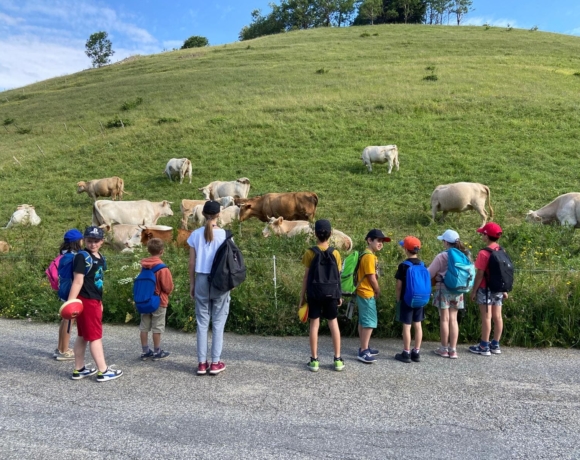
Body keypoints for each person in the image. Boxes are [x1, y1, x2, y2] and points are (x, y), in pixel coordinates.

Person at [69, 226, 123, 382]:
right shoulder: (82, 256)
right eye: (89, 241)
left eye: (96, 241)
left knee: (83, 335)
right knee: (95, 336)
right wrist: (71, 304)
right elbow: (78, 281)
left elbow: (97, 282)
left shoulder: (99, 257)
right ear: (84, 240)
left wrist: (100, 301)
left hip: (94, 300)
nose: (93, 244)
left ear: (102, 242)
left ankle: (79, 369)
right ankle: (103, 370)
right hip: (86, 301)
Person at [188, 201, 231, 376]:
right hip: (220, 281)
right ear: (218, 214)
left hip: (201, 279)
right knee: (219, 321)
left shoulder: (195, 235)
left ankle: (201, 363)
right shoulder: (226, 235)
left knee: (202, 322)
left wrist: (192, 283)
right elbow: (229, 263)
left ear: (203, 214)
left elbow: (191, 262)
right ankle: (215, 362)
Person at [298, 219, 344, 372]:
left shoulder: (310, 252)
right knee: (333, 324)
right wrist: (339, 295)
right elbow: (337, 276)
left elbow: (305, 277)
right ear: (331, 234)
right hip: (331, 293)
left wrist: (302, 297)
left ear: (315, 234)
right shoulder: (335, 253)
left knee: (314, 325)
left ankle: (314, 360)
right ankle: (337, 359)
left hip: (314, 293)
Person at [427, 229, 471, 359]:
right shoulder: (465, 255)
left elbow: (429, 273)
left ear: (446, 242)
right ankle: (453, 350)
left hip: (443, 290)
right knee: (453, 319)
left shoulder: (442, 256)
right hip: (458, 290)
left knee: (444, 319)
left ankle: (444, 348)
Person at [469, 222, 508, 356]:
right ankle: (495, 344)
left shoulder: (483, 253)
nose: (481, 236)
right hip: (498, 288)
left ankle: (484, 346)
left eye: (482, 234)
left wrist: (474, 290)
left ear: (486, 236)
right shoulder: (502, 250)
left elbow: (480, 274)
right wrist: (504, 290)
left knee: (486, 317)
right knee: (498, 316)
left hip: (485, 289)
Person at [356, 229, 390, 364]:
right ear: (369, 240)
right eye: (378, 240)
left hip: (361, 291)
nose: (381, 243)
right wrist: (377, 289)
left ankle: (364, 346)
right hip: (367, 292)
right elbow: (371, 276)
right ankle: (364, 351)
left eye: (382, 241)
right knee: (369, 322)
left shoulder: (365, 254)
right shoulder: (369, 256)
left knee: (363, 321)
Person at [139, 238, 174, 361]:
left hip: (144, 300)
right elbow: (168, 287)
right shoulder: (162, 268)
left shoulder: (144, 266)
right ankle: (157, 351)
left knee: (144, 326)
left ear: (149, 250)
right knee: (157, 327)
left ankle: (145, 351)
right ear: (162, 251)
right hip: (158, 301)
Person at [52, 228, 83, 361]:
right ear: (78, 241)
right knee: (70, 319)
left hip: (64, 289)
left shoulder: (63, 255)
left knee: (65, 319)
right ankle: (64, 351)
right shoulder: (76, 257)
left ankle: (60, 347)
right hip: (72, 291)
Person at [394, 236, 425, 363]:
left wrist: (398, 299)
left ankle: (406, 352)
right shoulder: (423, 264)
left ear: (406, 250)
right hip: (420, 299)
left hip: (407, 299)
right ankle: (416, 352)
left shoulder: (403, 266)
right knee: (418, 325)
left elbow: (399, 286)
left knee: (406, 326)